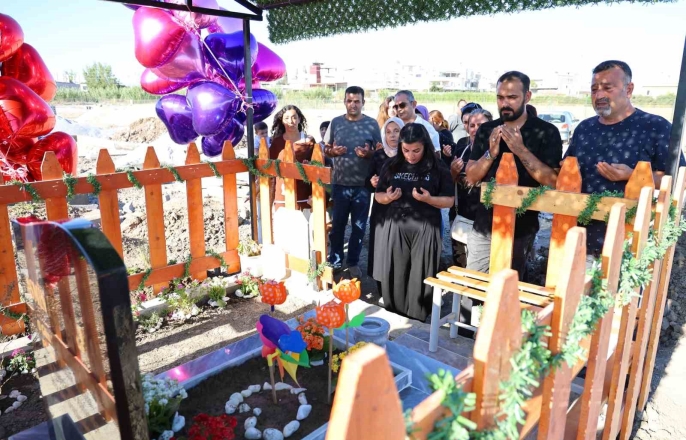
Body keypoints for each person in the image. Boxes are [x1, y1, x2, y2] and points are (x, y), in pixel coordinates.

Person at [564, 60, 686, 258]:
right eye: (594, 89)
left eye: (607, 88)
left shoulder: (656, 127)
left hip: (630, 244)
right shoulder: (584, 128)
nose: (599, 95)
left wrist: (634, 176)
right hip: (579, 238)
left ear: (629, 89)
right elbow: (567, 171)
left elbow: (679, 180)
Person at [465, 71, 562, 280]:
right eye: (500, 97)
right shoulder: (486, 130)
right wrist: (490, 153)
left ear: (527, 97)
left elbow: (553, 181)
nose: (504, 103)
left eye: (512, 97)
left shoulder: (546, 132)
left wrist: (520, 150)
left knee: (507, 287)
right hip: (483, 225)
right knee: (473, 285)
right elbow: (471, 177)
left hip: (521, 229)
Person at [373, 123, 455, 321]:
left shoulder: (437, 167)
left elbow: (449, 200)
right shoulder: (391, 165)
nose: (411, 155)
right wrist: (388, 197)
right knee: (397, 273)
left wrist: (429, 199)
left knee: (420, 274)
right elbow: (378, 195)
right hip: (396, 226)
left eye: (416, 150)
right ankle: (395, 316)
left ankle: (417, 319)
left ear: (425, 145)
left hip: (425, 227)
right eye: (406, 150)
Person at [324, 86, 382, 278]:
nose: (353, 104)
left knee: (358, 227)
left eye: (357, 101)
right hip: (340, 184)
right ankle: (335, 261)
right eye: (349, 101)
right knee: (337, 227)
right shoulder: (336, 122)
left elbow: (380, 152)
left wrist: (369, 154)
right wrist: (332, 152)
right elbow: (325, 148)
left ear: (363, 102)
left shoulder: (372, 124)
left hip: (362, 186)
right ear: (344, 102)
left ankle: (353, 262)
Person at [448, 108, 493, 267]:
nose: (475, 129)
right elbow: (448, 183)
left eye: (481, 125)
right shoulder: (461, 148)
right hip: (462, 216)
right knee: (461, 265)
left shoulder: (498, 153)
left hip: (487, 221)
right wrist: (452, 172)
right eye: (471, 125)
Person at [366, 116, 404, 286]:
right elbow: (367, 182)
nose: (393, 135)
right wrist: (372, 182)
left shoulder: (409, 154)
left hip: (402, 210)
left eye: (397, 131)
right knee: (380, 247)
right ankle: (381, 286)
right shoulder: (378, 155)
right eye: (388, 132)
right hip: (381, 209)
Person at [268, 105, 316, 204]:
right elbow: (269, 168)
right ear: (282, 121)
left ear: (299, 119)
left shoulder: (309, 141)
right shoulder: (277, 142)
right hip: (282, 196)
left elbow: (318, 164)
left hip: (305, 195)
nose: (291, 121)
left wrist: (310, 165)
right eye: (286, 118)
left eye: (294, 117)